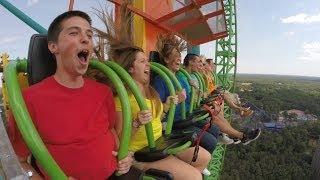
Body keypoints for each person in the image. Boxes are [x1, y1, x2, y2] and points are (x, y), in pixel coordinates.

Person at [8, 11, 133, 180]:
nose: (86, 39)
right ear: (53, 46)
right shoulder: (28, 100)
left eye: (89, 34)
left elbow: (110, 131)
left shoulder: (103, 92)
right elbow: (19, 161)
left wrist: (123, 156)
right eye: (74, 33)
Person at [94, 3, 211, 180]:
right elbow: (119, 139)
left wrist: (169, 104)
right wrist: (136, 123)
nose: (148, 64)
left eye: (147, 61)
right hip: (140, 152)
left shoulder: (150, 92)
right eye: (142, 62)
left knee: (205, 157)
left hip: (158, 141)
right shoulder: (122, 98)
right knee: (194, 177)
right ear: (130, 68)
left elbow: (158, 115)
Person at [183, 53, 261, 145]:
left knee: (218, 109)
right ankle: (239, 135)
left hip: (196, 105)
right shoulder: (189, 77)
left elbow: (198, 94)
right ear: (190, 62)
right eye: (200, 63)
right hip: (190, 110)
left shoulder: (194, 77)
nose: (201, 66)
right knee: (215, 116)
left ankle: (236, 133)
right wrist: (202, 95)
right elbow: (193, 96)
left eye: (203, 63)